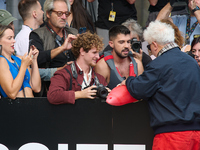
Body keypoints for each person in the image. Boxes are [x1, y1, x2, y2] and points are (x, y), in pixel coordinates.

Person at [121, 20, 200, 150]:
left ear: (155, 45)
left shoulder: (158, 64)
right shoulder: (192, 62)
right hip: (197, 133)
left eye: (149, 48)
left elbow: (139, 89)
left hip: (172, 136)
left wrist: (128, 81)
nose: (151, 51)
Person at [47, 32, 108, 104]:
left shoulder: (99, 78)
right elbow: (53, 95)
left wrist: (111, 95)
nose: (98, 57)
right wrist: (79, 94)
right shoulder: (64, 74)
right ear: (82, 51)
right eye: (94, 52)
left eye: (98, 53)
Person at [29, 0, 78, 69]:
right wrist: (61, 48)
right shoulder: (37, 35)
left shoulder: (74, 32)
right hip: (51, 78)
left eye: (66, 13)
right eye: (59, 13)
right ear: (48, 14)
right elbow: (36, 59)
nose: (64, 17)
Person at [94, 25, 144, 89]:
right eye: (121, 42)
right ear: (111, 44)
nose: (126, 46)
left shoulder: (138, 64)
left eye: (128, 42)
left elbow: (143, 91)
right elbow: (98, 95)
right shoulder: (102, 66)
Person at [0, 25, 41, 99]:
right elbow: (12, 93)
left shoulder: (19, 59)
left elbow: (36, 88)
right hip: (16, 108)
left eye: (13, 37)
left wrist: (34, 61)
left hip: (30, 106)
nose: (14, 41)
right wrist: (23, 67)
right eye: (9, 38)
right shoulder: (1, 61)